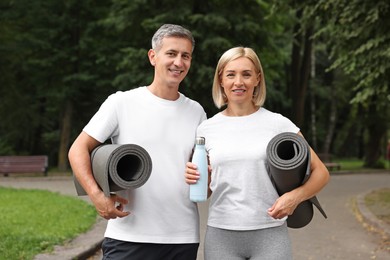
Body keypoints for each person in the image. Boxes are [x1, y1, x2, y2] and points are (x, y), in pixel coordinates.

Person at [68, 24, 206, 260]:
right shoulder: (121, 103)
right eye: (171, 54)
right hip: (128, 236)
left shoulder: (197, 112)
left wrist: (206, 177)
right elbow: (78, 149)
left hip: (182, 237)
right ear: (153, 56)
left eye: (186, 56)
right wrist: (97, 196)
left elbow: (202, 178)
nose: (179, 62)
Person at [185, 46, 330, 260]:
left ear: (257, 79)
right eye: (231, 74)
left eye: (246, 74)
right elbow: (205, 192)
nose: (238, 82)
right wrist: (195, 178)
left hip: (270, 234)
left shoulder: (278, 124)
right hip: (222, 235)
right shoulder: (206, 128)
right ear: (221, 80)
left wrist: (294, 197)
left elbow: (321, 173)